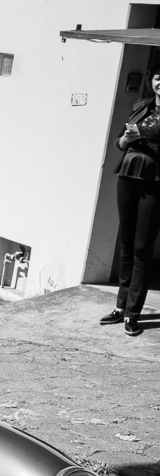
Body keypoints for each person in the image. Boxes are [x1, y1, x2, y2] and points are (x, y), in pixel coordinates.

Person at [104, 66, 160, 337]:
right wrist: (126, 139)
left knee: (142, 247)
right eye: (159, 78)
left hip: (155, 181)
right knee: (126, 244)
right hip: (127, 175)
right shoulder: (140, 106)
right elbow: (118, 143)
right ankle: (120, 307)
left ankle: (133, 313)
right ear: (152, 81)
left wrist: (147, 140)